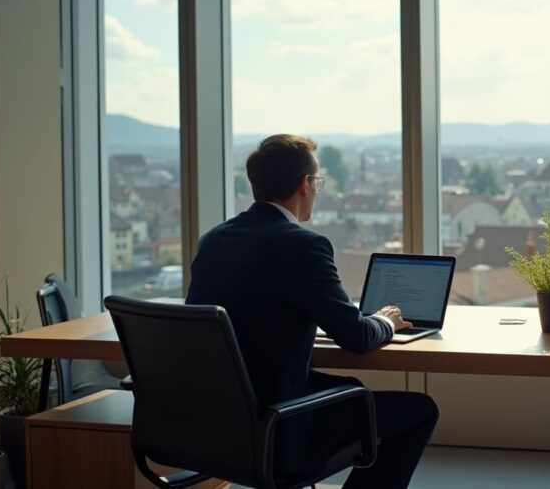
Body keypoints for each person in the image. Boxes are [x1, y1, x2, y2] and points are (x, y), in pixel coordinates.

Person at [186, 134, 438, 488]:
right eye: (317, 183)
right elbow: (356, 337)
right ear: (304, 185)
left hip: (215, 423)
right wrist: (386, 320)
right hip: (278, 424)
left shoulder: (213, 239)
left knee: (353, 391)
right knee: (419, 411)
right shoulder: (304, 245)